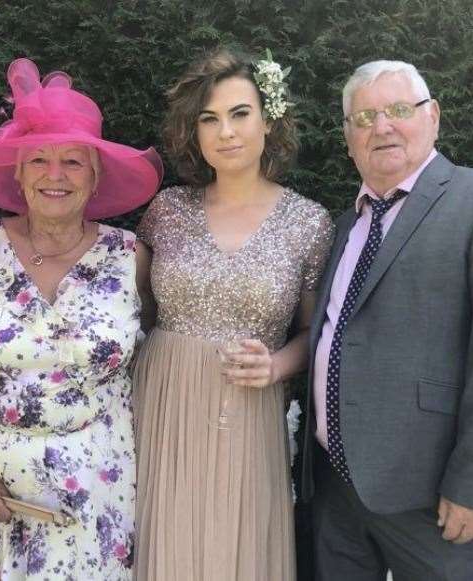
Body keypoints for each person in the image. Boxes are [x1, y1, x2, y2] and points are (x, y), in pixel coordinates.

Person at [300, 60, 473, 580]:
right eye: (363, 118)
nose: (381, 126)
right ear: (348, 138)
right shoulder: (348, 223)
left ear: (432, 116)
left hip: (434, 497)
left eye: (397, 110)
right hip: (336, 493)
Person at [0, 57, 162, 580]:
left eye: (74, 162)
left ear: (95, 175)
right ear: (18, 172)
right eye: (39, 161)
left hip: (101, 490)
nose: (55, 176)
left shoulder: (131, 257)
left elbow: (155, 358)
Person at [131, 49, 333, 581]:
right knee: (163, 544)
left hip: (248, 408)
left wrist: (278, 366)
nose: (226, 132)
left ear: (269, 120)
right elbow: (138, 316)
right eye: (209, 119)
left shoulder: (307, 223)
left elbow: (318, 332)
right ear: (194, 133)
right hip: (161, 405)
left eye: (240, 113)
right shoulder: (165, 210)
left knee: (236, 551)